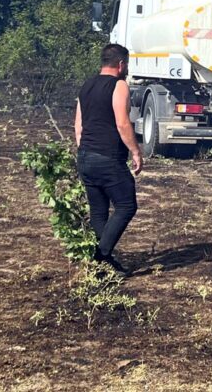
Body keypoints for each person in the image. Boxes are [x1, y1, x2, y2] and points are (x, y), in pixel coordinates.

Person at [74, 44, 143, 273]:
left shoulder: (86, 85)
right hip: (108, 158)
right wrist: (135, 151)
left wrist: (86, 152)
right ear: (121, 64)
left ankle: (103, 263)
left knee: (99, 211)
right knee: (126, 205)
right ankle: (100, 257)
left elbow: (78, 126)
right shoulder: (119, 85)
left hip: (85, 156)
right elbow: (122, 123)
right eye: (127, 64)